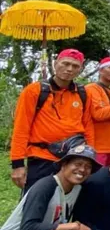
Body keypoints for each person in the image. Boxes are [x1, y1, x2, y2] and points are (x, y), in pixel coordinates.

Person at [10, 49, 95, 192]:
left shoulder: (83, 93)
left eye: (75, 66)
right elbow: (21, 128)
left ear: (80, 69)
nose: (69, 69)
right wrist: (17, 164)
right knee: (35, 203)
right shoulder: (34, 91)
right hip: (41, 157)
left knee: (68, 203)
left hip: (72, 157)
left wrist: (90, 156)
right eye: (65, 64)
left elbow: (88, 126)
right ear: (55, 64)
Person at [0, 144, 104, 230]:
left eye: (88, 167)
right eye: (78, 164)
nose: (82, 169)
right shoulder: (45, 186)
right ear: (64, 165)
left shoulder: (77, 189)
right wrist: (73, 227)